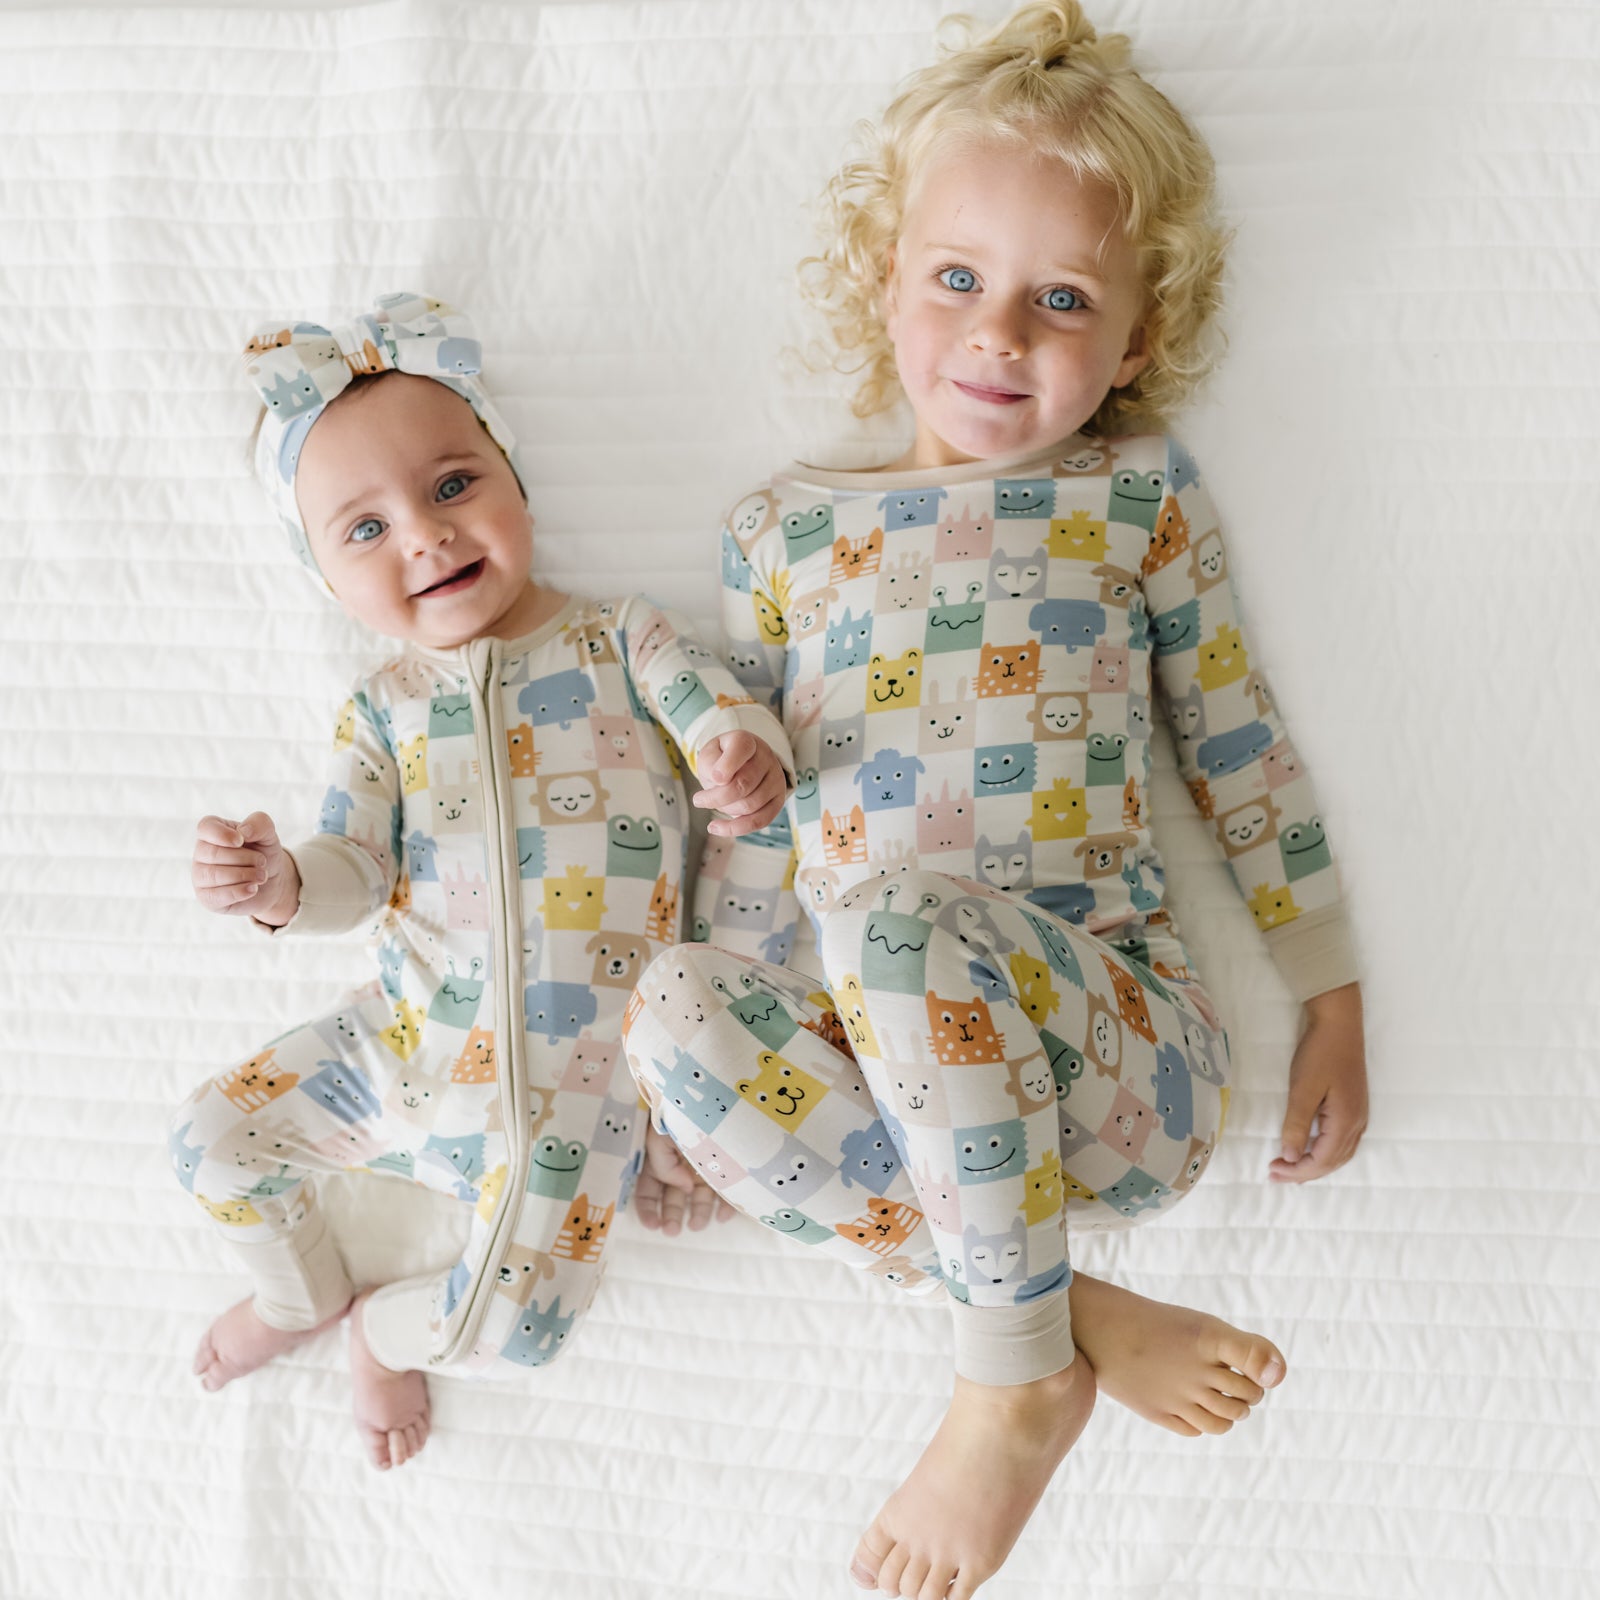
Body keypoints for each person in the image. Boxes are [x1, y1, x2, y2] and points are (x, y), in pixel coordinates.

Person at [619, 6, 1369, 1595]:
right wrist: (707, 1092)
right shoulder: (781, 531)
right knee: (674, 1005)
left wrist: (1332, 990)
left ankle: (1015, 1378)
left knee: (895, 926)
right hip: (906, 1110)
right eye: (958, 279)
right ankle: (1060, 1327)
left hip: (1121, 1069)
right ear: (884, 277)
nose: (1000, 336)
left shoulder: (1131, 497)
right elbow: (766, 844)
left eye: (1063, 300)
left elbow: (1238, 744)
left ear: (1140, 336)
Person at [171, 292, 790, 1470]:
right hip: (400, 1047)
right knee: (209, 1141)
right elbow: (354, 866)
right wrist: (279, 883)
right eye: (366, 530)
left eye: (454, 486)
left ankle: (385, 1336)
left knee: (513, 1328)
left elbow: (719, 717)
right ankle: (300, 1294)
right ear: (323, 578)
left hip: (577, 1092)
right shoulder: (382, 709)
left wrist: (735, 752)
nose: (425, 535)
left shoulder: (620, 640)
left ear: (515, 481)